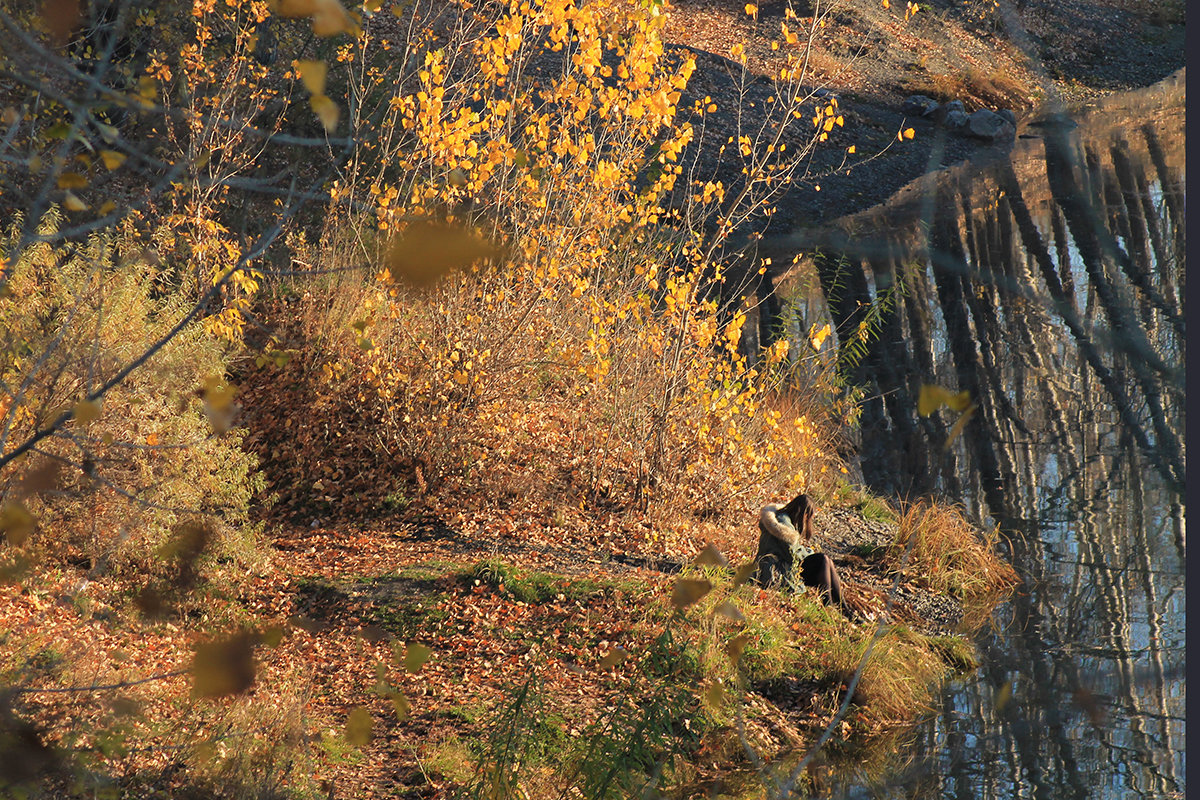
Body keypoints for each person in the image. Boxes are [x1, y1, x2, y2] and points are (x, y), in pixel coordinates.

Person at [752, 493, 845, 610]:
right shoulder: (783, 528)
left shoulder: (780, 518)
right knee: (823, 560)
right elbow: (794, 556)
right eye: (808, 517)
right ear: (804, 514)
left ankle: (841, 606)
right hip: (775, 573)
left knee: (826, 560)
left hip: (778, 567)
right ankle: (830, 605)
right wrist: (810, 553)